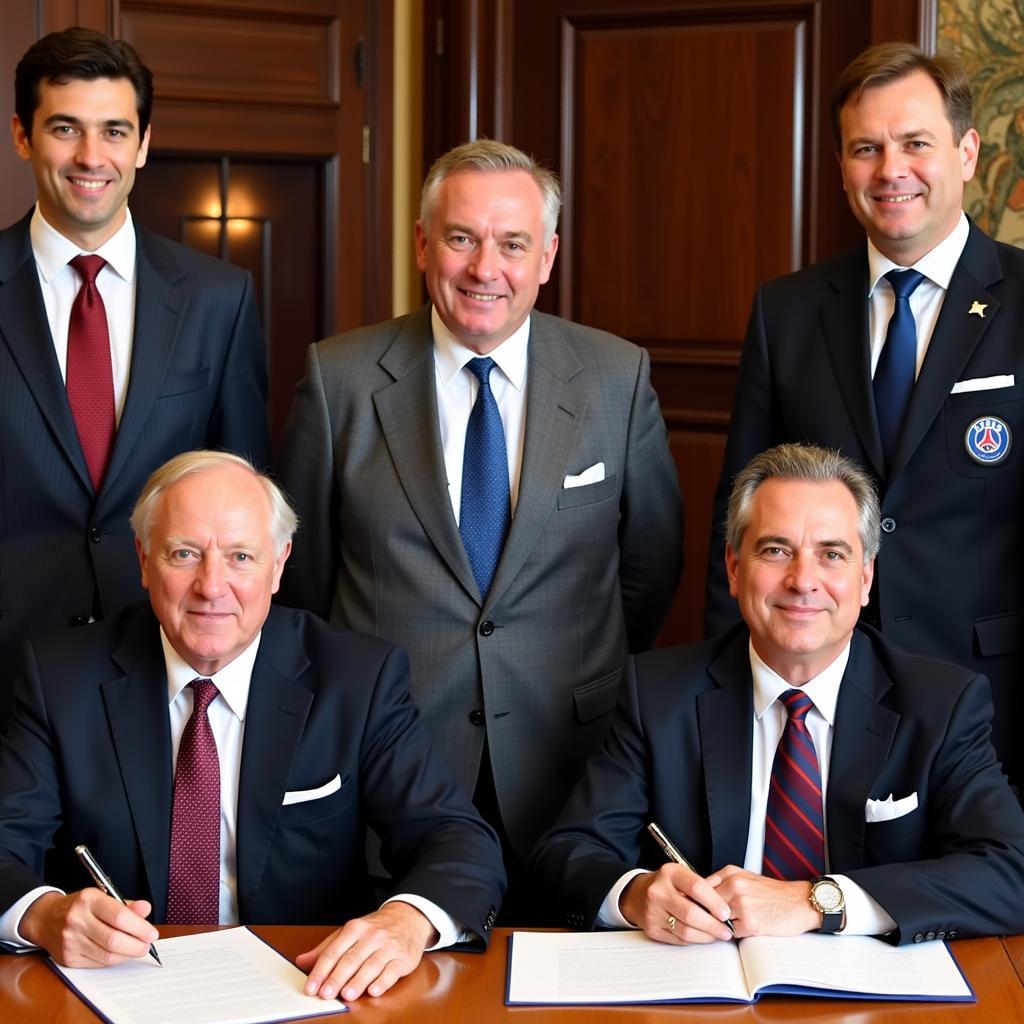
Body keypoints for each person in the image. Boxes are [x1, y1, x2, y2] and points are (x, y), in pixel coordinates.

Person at [277, 140, 682, 918]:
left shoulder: (616, 378)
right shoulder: (341, 380)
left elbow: (650, 567)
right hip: (394, 762)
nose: (483, 267)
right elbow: (302, 582)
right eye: (461, 238)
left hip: (572, 762)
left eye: (513, 243)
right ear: (425, 245)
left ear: (548, 256)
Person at [0, 452, 504, 1002]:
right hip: (119, 993)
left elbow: (459, 842)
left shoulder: (357, 679)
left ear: (279, 563)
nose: (212, 586)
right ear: (144, 560)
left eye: (241, 556)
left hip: (306, 989)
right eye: (184, 554)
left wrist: (405, 923)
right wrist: (43, 916)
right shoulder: (60, 679)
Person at [534, 443, 1024, 945]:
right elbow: (566, 852)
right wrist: (635, 895)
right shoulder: (658, 694)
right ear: (733, 567)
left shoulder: (940, 703)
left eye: (831, 554)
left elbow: (1012, 872)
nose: (802, 581)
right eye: (775, 550)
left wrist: (816, 901)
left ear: (866, 579)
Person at [705, 42, 1024, 790]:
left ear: (967, 152)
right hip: (818, 696)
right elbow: (738, 514)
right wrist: (725, 691)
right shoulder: (786, 311)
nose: (891, 171)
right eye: (865, 149)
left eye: (915, 143)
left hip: (992, 693)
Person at [0, 28, 270, 725]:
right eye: (65, 128)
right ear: (23, 137)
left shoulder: (219, 299)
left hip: (164, 674)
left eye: (115, 131)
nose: (93, 157)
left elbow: (246, 495)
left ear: (144, 143)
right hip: (6, 670)